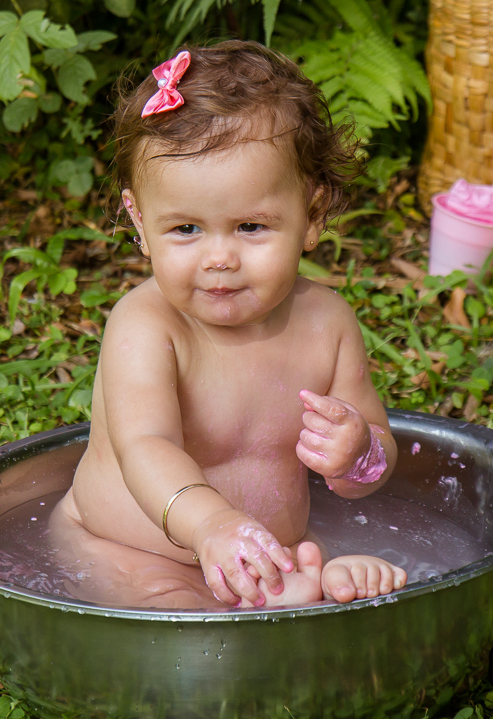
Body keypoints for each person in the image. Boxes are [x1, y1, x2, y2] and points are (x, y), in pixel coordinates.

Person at [50, 40, 407, 609]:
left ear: (311, 215)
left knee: (328, 613)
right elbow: (146, 445)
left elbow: (374, 459)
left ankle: (308, 590)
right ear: (140, 223)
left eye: (249, 226)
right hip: (131, 551)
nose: (219, 258)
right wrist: (211, 525)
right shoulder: (147, 327)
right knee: (175, 626)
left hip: (261, 554)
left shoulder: (326, 323)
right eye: (186, 229)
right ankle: (283, 598)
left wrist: (359, 453)